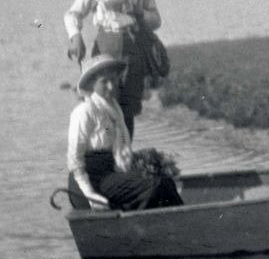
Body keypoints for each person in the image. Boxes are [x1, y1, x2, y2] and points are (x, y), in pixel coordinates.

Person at [64, 0, 161, 139]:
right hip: (106, 49)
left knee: (128, 108)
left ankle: (124, 160)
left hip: (133, 50)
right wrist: (75, 36)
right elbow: (73, 14)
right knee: (101, 103)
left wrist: (138, 12)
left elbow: (156, 20)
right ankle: (101, 159)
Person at [66, 54, 183, 211]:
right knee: (153, 185)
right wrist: (89, 194)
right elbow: (75, 159)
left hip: (109, 175)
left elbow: (120, 151)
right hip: (89, 182)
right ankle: (148, 224)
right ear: (91, 84)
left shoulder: (114, 108)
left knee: (164, 181)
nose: (111, 86)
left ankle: (182, 218)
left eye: (113, 80)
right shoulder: (84, 112)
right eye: (104, 82)